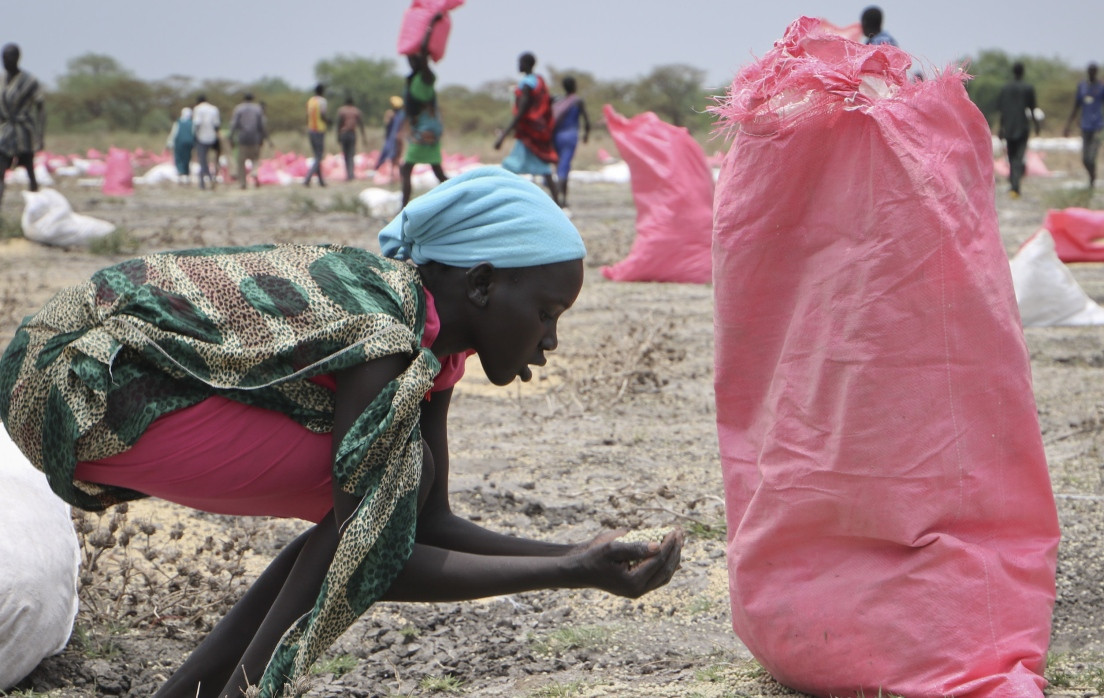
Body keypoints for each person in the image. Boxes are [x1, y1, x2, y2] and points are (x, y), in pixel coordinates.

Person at [0, 166, 683, 698]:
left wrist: (578, 554)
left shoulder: (433, 346)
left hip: (103, 383)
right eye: (546, 313)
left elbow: (428, 524)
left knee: (388, 494)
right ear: (480, 286)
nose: (551, 339)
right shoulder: (385, 332)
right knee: (381, 498)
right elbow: (373, 556)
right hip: (76, 384)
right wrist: (568, 572)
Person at [401, 12, 450, 206]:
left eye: (414, 59)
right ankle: (459, 197)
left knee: (407, 169)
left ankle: (403, 208)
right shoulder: (414, 79)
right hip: (423, 129)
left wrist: (430, 25)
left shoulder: (426, 77)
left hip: (425, 131)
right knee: (437, 172)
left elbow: (422, 51)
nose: (410, 61)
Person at [494, 52, 558, 198]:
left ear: (526, 64)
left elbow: (521, 112)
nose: (518, 66)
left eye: (520, 63)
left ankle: (504, 198)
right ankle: (557, 202)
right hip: (537, 131)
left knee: (509, 167)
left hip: (528, 133)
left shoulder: (527, 84)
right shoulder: (539, 81)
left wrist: (503, 135)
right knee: (542, 169)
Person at [0, 43, 46, 210]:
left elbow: (40, 107)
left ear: (17, 58)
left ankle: (37, 206)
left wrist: (40, 135)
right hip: (5, 132)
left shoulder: (29, 81)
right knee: (1, 169)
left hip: (23, 131)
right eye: (3, 57)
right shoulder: (1, 80)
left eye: (9, 57)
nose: (6, 61)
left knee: (29, 170)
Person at [1063, 62, 1104, 188]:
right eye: (1089, 70)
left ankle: (1092, 180)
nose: (1091, 73)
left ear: (1096, 72)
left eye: (1093, 70)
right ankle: (1092, 175)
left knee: (1091, 157)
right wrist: (1068, 126)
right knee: (1085, 159)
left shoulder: (1102, 87)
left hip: (1098, 127)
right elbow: (1076, 107)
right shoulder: (1082, 87)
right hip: (1085, 126)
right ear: (1087, 72)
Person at [996, 61, 1040, 198]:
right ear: (1022, 72)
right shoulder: (1028, 88)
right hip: (1022, 127)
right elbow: (1032, 109)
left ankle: (1014, 184)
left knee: (1012, 157)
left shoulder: (1005, 88)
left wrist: (1001, 128)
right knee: (1018, 158)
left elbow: (1003, 110)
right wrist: (1036, 125)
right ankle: (1015, 185)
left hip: (1009, 126)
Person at [551, 75, 590, 211]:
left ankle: (562, 200)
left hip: (556, 137)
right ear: (574, 86)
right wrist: (586, 135)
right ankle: (558, 200)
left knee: (560, 167)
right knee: (564, 167)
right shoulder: (577, 101)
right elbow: (586, 120)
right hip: (570, 136)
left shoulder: (559, 101)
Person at [230, 93, 268, 189]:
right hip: (255, 138)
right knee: (255, 159)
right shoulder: (258, 109)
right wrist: (263, 137)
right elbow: (261, 125)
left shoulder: (239, 109)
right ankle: (254, 172)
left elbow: (234, 124)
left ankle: (242, 183)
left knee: (241, 161)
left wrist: (231, 136)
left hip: (242, 138)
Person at [192, 94, 221, 190]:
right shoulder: (214, 109)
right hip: (213, 138)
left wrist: (195, 136)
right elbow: (217, 125)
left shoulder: (197, 109)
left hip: (201, 138)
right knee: (214, 160)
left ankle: (204, 182)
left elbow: (197, 123)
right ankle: (210, 179)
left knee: (202, 160)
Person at [334, 96, 367, 182]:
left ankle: (348, 175)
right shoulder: (356, 111)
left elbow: (338, 124)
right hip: (352, 134)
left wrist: (338, 136)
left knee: (346, 155)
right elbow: (361, 125)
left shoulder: (342, 111)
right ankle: (351, 174)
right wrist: (364, 137)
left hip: (344, 134)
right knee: (351, 155)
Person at [376, 95, 407, 183]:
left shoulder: (391, 114)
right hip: (399, 138)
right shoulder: (402, 115)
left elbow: (387, 124)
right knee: (397, 157)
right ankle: (398, 176)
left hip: (393, 139)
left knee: (393, 157)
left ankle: (393, 175)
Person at [303, 83, 329, 187]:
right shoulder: (322, 101)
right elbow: (322, 115)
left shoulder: (310, 101)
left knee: (317, 155)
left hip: (310, 130)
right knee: (319, 156)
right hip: (319, 130)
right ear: (322, 91)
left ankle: (321, 181)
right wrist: (328, 121)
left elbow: (307, 115)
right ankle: (307, 178)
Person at [166, 107, 196, 185]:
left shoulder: (178, 122)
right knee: (187, 158)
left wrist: (169, 143)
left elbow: (174, 133)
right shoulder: (192, 123)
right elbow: (194, 133)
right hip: (189, 143)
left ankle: (181, 173)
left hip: (179, 143)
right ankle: (186, 174)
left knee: (179, 157)